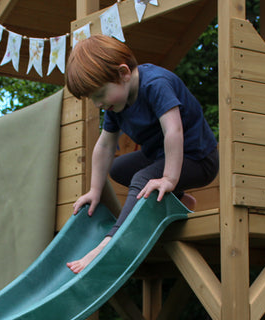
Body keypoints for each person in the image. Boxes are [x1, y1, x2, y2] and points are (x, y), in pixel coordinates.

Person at [64, 35, 219, 274]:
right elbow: (105, 146)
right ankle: (181, 201)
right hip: (162, 157)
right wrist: (95, 190)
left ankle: (110, 242)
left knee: (142, 178)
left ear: (124, 73)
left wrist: (168, 179)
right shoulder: (116, 103)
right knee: (119, 168)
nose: (97, 104)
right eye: (92, 99)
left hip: (198, 158)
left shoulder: (155, 84)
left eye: (99, 94)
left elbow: (173, 131)